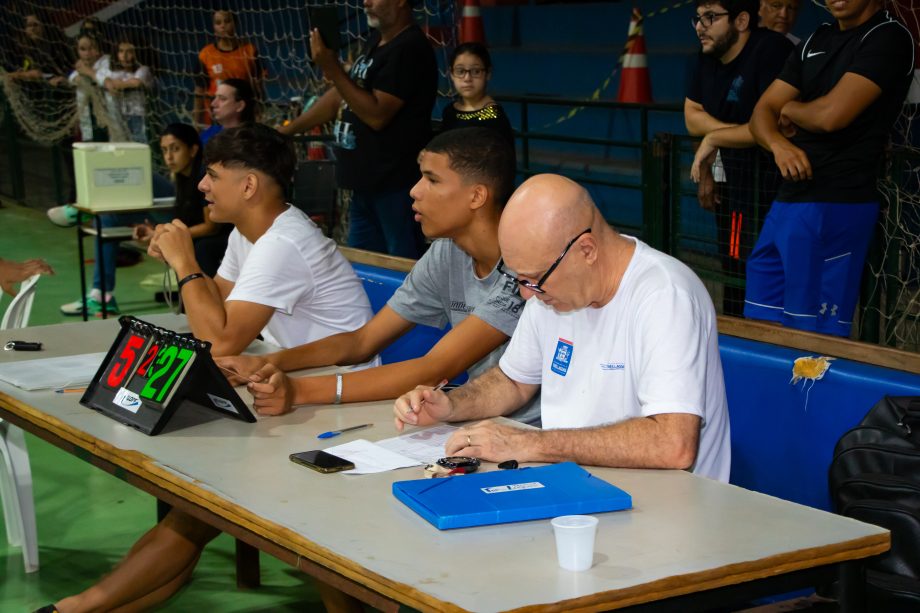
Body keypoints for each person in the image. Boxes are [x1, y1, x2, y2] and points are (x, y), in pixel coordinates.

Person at [41, 126, 374, 613]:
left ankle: (76, 608)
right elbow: (214, 309)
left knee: (200, 511)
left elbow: (218, 339)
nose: (202, 185)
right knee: (195, 510)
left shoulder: (283, 242)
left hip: (342, 404)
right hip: (281, 385)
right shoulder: (250, 234)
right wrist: (188, 270)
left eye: (213, 175)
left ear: (249, 186)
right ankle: (79, 608)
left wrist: (184, 263)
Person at [394, 174, 731, 483]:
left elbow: (672, 444)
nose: (527, 293)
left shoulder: (664, 296)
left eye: (534, 279)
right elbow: (513, 381)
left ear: (586, 249)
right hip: (575, 489)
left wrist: (533, 444)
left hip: (665, 512)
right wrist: (452, 404)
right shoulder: (550, 293)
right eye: (519, 279)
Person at [219, 127, 539, 425]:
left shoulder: (524, 265)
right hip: (485, 421)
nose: (415, 191)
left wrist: (300, 391)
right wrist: (270, 363)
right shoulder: (447, 251)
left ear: (476, 196)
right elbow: (362, 341)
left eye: (432, 179)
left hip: (536, 428)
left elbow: (435, 368)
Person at [748, 0, 914, 337]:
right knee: (760, 325)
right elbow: (762, 111)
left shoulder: (888, 36)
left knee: (812, 341)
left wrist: (792, 108)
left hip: (838, 203)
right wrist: (779, 145)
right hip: (788, 200)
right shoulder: (816, 38)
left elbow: (831, 116)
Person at [280, 0, 438, 259]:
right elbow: (341, 95)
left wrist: (331, 68)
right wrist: (287, 131)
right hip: (365, 185)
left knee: (403, 267)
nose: (366, 2)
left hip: (395, 185)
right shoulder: (376, 41)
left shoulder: (409, 48)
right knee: (362, 268)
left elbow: (376, 115)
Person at [685, 0, 794, 316]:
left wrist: (717, 136)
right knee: (735, 268)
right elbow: (692, 118)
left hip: (781, 189)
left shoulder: (772, 50)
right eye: (698, 18)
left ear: (742, 20)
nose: (700, 26)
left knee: (774, 272)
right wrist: (747, 132)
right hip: (736, 188)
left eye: (711, 17)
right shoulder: (708, 56)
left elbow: (779, 126)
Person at [134, 123, 230, 277]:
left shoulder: (202, 176)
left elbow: (211, 227)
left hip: (224, 237)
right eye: (165, 150)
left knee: (200, 247)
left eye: (175, 149)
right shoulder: (182, 178)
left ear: (192, 150)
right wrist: (156, 232)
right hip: (205, 239)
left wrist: (171, 236)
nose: (169, 157)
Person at [194, 9, 263, 128]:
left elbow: (258, 85)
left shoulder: (250, 50)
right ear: (214, 27)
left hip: (244, 114)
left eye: (227, 21)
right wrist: (196, 121)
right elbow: (200, 89)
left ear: (235, 24)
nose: (223, 26)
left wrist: (260, 110)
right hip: (215, 116)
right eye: (218, 22)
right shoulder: (206, 54)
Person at [441, 42, 514, 145]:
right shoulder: (450, 111)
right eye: (460, 71)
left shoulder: (493, 117)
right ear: (451, 74)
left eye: (476, 71)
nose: (467, 78)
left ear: (488, 73)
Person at [96, 38, 154, 143]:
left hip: (137, 115)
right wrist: (108, 82)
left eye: (130, 52)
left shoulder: (143, 70)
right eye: (121, 51)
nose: (125, 56)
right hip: (118, 115)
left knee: (139, 144)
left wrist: (114, 84)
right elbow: (98, 76)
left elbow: (135, 82)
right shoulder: (114, 72)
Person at [199, 77, 256, 145]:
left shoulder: (254, 141)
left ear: (240, 106)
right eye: (214, 97)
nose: (213, 104)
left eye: (222, 99)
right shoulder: (208, 134)